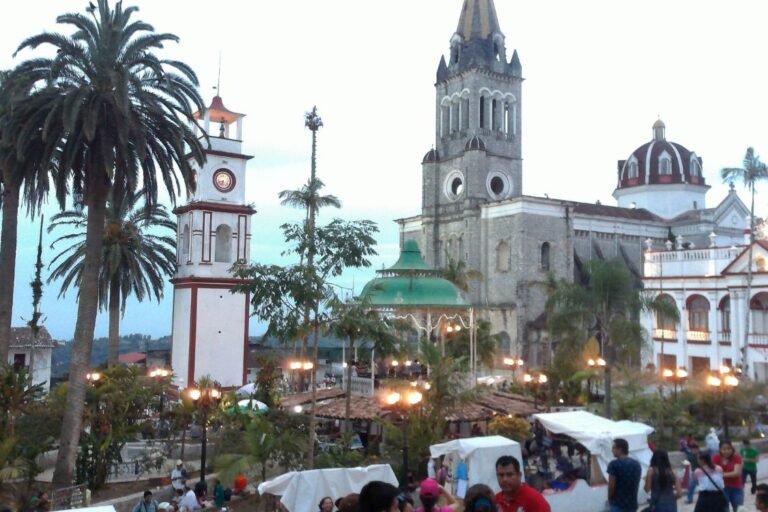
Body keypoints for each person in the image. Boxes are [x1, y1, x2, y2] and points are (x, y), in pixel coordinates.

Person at [607, 438, 641, 512]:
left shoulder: (613, 464)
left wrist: (609, 498)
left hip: (618, 504)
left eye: (613, 448)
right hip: (632, 504)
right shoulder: (636, 464)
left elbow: (611, 486)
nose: (612, 450)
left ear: (620, 449)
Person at [713, 440, 744, 512]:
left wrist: (721, 474)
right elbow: (714, 472)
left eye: (728, 449)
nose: (726, 451)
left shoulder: (736, 458)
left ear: (732, 449)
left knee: (738, 509)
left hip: (736, 488)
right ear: (720, 449)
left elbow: (737, 473)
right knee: (724, 509)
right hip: (721, 488)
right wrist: (729, 474)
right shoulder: (716, 458)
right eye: (724, 449)